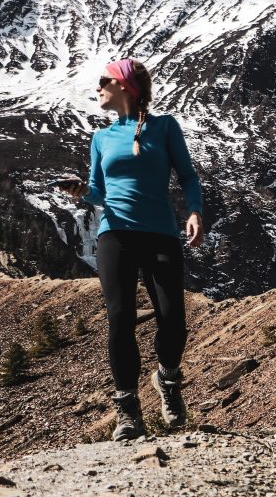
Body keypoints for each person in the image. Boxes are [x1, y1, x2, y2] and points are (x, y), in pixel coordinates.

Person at [64, 58, 203, 441]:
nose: (98, 88)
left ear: (125, 85)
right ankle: (127, 411)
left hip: (160, 233)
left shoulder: (164, 127)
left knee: (173, 320)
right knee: (120, 316)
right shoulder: (101, 138)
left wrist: (194, 211)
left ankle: (168, 379)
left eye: (103, 80)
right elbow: (98, 191)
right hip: (115, 235)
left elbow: (188, 176)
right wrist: (82, 191)